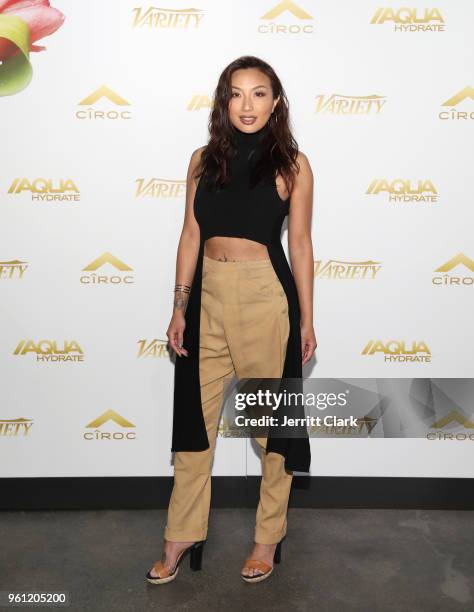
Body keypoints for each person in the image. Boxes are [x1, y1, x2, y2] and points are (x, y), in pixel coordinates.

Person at [146, 55, 316, 585]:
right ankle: (181, 534)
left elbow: (303, 246)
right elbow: (190, 237)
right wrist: (178, 305)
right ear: (223, 102)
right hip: (206, 302)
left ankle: (268, 537)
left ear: (276, 101)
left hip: (266, 298)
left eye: (259, 93)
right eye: (236, 94)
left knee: (271, 429)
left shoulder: (293, 164)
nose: (247, 105)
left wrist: (307, 320)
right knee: (195, 428)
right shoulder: (201, 161)